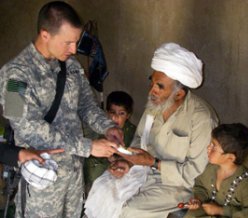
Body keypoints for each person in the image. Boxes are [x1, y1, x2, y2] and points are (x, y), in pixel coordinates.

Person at [0, 1, 123, 217]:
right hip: (42, 180)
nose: (74, 49)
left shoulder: (72, 67)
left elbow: (86, 105)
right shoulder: (14, 76)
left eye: (76, 42)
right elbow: (25, 127)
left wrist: (108, 127)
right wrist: (87, 147)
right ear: (45, 34)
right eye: (68, 43)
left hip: (74, 175)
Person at [86, 42, 219, 218]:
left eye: (160, 86)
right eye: (152, 82)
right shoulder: (155, 105)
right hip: (143, 171)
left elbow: (194, 173)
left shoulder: (202, 119)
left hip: (178, 185)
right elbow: (141, 137)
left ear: (179, 94)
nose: (152, 90)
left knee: (129, 210)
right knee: (102, 189)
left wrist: (152, 163)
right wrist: (129, 162)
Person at [183, 123, 248, 218]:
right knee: (191, 215)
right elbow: (200, 187)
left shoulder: (245, 185)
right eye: (210, 143)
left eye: (214, 147)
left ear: (230, 158)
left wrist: (220, 210)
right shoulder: (210, 168)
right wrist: (198, 199)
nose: (208, 148)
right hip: (209, 209)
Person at [83, 91, 136, 193]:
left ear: (128, 115)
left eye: (121, 113)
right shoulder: (96, 129)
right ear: (106, 112)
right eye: (112, 112)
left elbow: (132, 156)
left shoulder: (132, 132)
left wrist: (117, 159)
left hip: (116, 179)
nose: (115, 117)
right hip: (93, 176)